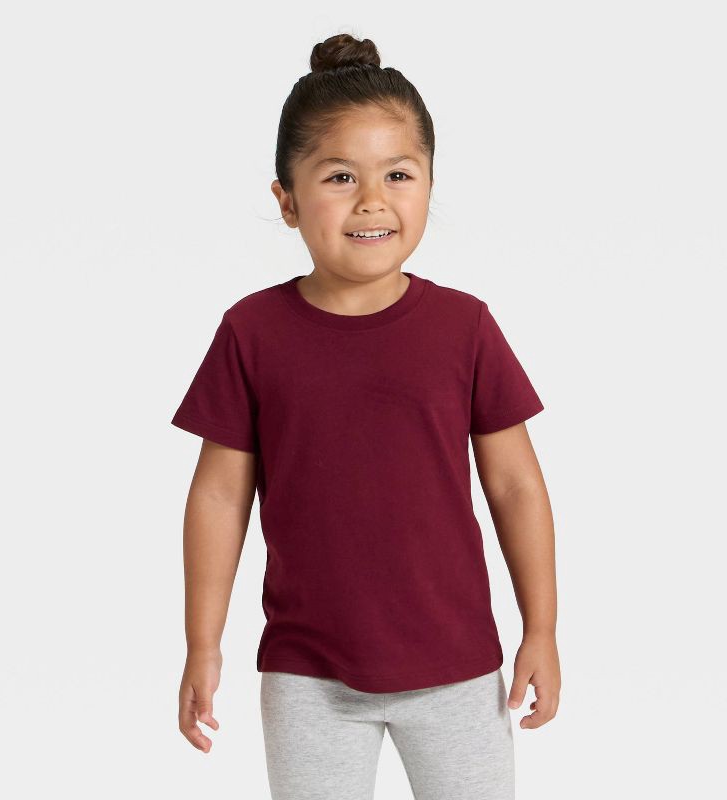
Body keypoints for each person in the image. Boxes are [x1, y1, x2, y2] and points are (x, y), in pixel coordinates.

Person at [172, 32, 560, 800]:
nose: (372, 199)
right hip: (308, 674)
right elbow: (218, 496)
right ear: (287, 200)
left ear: (429, 185)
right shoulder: (252, 332)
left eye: (398, 174)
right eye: (341, 176)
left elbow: (516, 486)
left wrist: (541, 629)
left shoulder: (465, 327)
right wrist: (202, 644)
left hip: (455, 668)